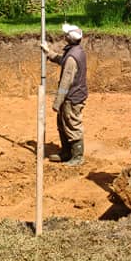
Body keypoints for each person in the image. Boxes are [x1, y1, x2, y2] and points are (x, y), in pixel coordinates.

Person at [40, 23, 88, 165]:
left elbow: (65, 84)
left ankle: (77, 157)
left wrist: (57, 102)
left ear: (70, 38)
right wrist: (49, 53)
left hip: (72, 97)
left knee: (72, 124)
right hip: (72, 95)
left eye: (66, 34)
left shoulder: (73, 57)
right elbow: (63, 60)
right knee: (62, 123)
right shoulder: (75, 51)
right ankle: (66, 152)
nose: (64, 36)